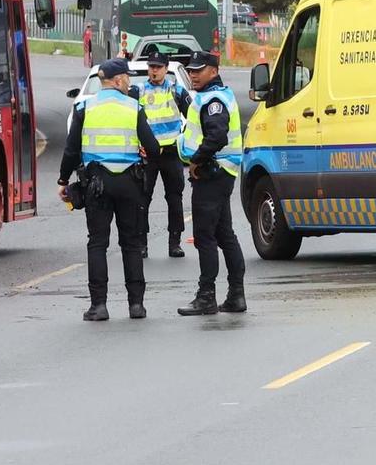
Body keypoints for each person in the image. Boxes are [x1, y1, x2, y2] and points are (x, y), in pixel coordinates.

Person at [58, 58, 162, 322]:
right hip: (129, 184)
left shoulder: (84, 106)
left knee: (97, 243)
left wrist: (63, 180)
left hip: (96, 185)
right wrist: (142, 157)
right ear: (117, 81)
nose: (129, 82)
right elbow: (153, 147)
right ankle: (136, 305)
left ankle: (99, 306)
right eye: (127, 77)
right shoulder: (133, 107)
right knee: (131, 243)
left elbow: (71, 150)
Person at [176, 51, 249, 315]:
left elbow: (216, 135)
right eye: (191, 71)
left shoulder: (213, 100)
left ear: (214, 71)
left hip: (212, 173)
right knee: (224, 234)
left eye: (198, 70)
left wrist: (196, 161)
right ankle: (236, 295)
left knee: (205, 237)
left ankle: (206, 296)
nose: (193, 75)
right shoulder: (216, 95)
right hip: (221, 173)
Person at [137, 55, 193, 257]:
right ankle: (142, 244)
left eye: (158, 67)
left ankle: (174, 243)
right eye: (151, 66)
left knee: (174, 199)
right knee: (142, 199)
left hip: (171, 153)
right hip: (148, 155)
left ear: (166, 68)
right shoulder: (139, 91)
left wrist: (185, 143)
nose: (154, 71)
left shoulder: (177, 91)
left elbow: (194, 119)